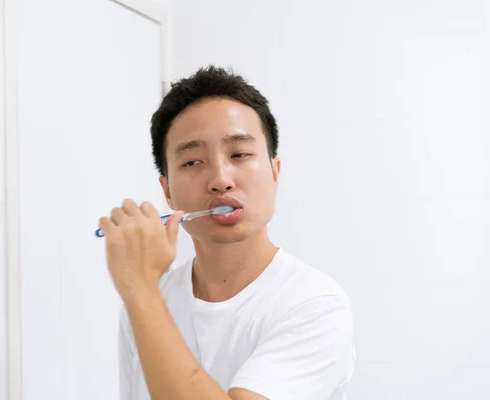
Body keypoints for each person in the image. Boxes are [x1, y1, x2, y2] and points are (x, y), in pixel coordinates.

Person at [98, 66, 356, 400]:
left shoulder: (315, 304)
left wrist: (141, 292)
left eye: (240, 154)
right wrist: (144, 293)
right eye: (192, 162)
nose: (220, 179)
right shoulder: (149, 298)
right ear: (167, 192)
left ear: (275, 172)